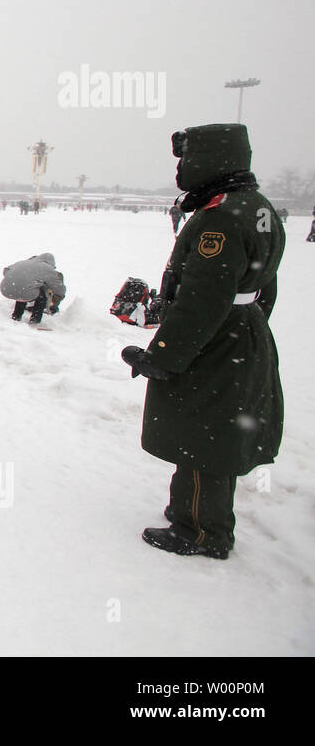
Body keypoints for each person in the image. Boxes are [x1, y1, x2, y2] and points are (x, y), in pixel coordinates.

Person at [122, 125, 284, 560]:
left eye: (186, 160)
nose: (181, 169)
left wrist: (164, 356)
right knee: (214, 432)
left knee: (201, 433)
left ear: (211, 160)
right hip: (239, 331)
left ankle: (199, 531)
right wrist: (247, 326)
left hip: (214, 338)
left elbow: (202, 299)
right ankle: (198, 518)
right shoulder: (256, 207)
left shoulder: (221, 218)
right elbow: (265, 283)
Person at [0, 253, 66, 324]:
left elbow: (6, 270)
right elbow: (58, 287)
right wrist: (60, 296)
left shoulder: (23, 262)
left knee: (24, 289)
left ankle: (16, 316)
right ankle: (35, 320)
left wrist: (14, 279)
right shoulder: (47, 268)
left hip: (5, 289)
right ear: (51, 263)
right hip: (23, 291)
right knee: (42, 297)